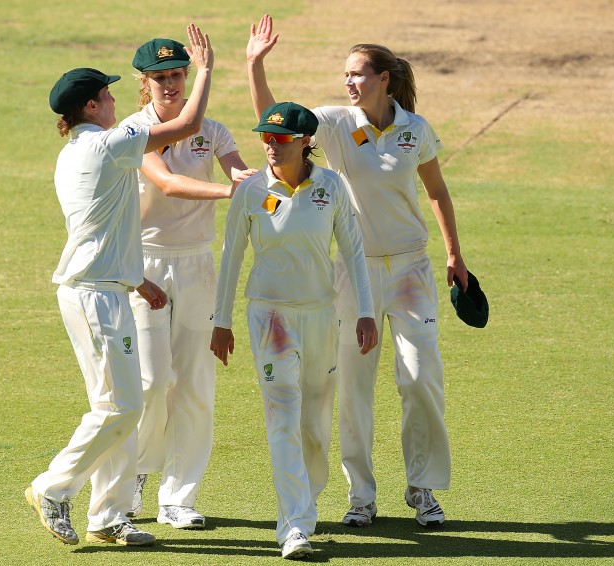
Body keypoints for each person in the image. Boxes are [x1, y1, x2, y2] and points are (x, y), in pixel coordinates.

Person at [246, 15, 469, 528]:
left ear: (383, 78)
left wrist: (454, 254)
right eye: (345, 74)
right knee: (354, 385)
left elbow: (437, 191)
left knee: (421, 377)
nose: (349, 82)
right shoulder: (334, 122)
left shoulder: (416, 130)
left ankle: (422, 488)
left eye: (357, 74)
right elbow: (276, 122)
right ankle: (361, 496)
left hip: (411, 268)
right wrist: (255, 65)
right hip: (353, 273)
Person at [24, 24, 215, 547]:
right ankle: (52, 488)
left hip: (108, 287)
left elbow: (106, 228)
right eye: (107, 95)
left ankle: (108, 516)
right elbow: (189, 123)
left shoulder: (83, 149)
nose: (115, 101)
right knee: (122, 406)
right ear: (90, 107)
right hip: (94, 295)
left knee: (118, 407)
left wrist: (138, 279)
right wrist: (203, 70)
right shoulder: (107, 145)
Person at [210, 101, 378, 559]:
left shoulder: (331, 186)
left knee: (315, 424)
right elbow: (231, 255)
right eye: (266, 137)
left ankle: (306, 499)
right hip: (271, 318)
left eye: (281, 138)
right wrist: (221, 321)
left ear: (306, 142)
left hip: (321, 315)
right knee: (283, 416)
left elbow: (353, 251)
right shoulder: (251, 191)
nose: (271, 145)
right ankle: (295, 525)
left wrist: (365, 311)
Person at [118, 37, 256, 530]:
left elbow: (241, 172)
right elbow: (168, 183)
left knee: (195, 384)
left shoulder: (212, 131)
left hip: (197, 264)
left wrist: (263, 183)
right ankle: (135, 473)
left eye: (178, 74)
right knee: (153, 382)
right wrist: (231, 191)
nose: (170, 84)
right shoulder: (133, 130)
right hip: (146, 266)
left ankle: (178, 498)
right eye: (160, 78)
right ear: (144, 82)